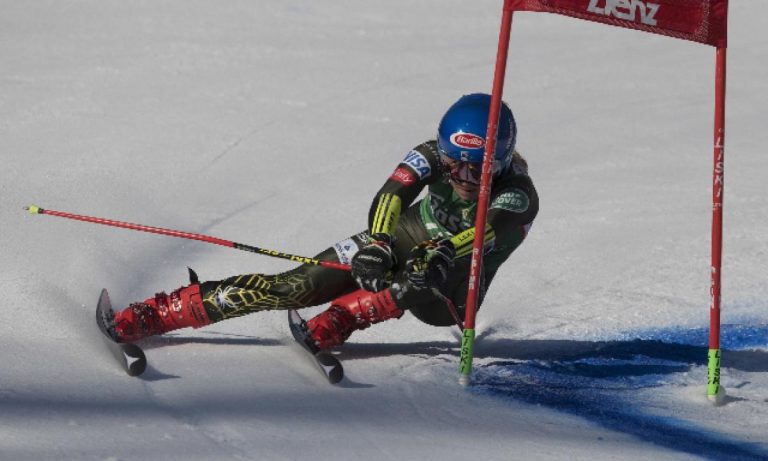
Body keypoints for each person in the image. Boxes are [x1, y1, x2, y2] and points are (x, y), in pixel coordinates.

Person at [108, 93, 538, 352]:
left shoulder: (517, 195)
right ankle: (165, 313)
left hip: (455, 288)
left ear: (501, 160)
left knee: (425, 268)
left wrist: (443, 250)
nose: (463, 178)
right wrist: (378, 243)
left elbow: (481, 235)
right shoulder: (430, 151)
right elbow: (392, 193)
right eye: (453, 166)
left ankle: (348, 316)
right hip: (410, 234)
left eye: (477, 169)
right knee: (297, 285)